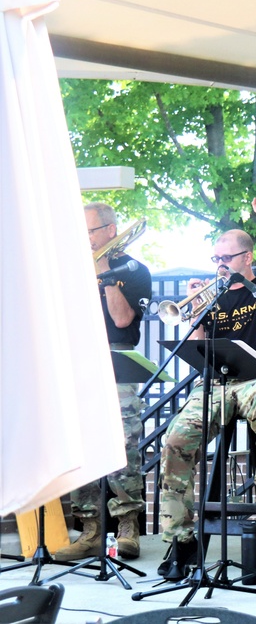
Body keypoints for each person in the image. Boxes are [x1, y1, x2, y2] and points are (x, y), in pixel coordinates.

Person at [157, 195, 256, 579]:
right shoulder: (214, 299)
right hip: (221, 383)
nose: (220, 265)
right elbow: (199, 351)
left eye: (227, 258)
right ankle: (182, 539)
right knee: (176, 439)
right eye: (215, 259)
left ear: (247, 258)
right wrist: (195, 313)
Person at [55, 203, 153, 561]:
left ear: (111, 231)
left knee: (124, 442)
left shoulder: (134, 270)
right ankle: (90, 530)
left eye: (90, 232)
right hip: (78, 358)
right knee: (80, 446)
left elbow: (123, 320)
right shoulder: (69, 270)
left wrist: (104, 272)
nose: (84, 239)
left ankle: (128, 526)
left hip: (117, 360)